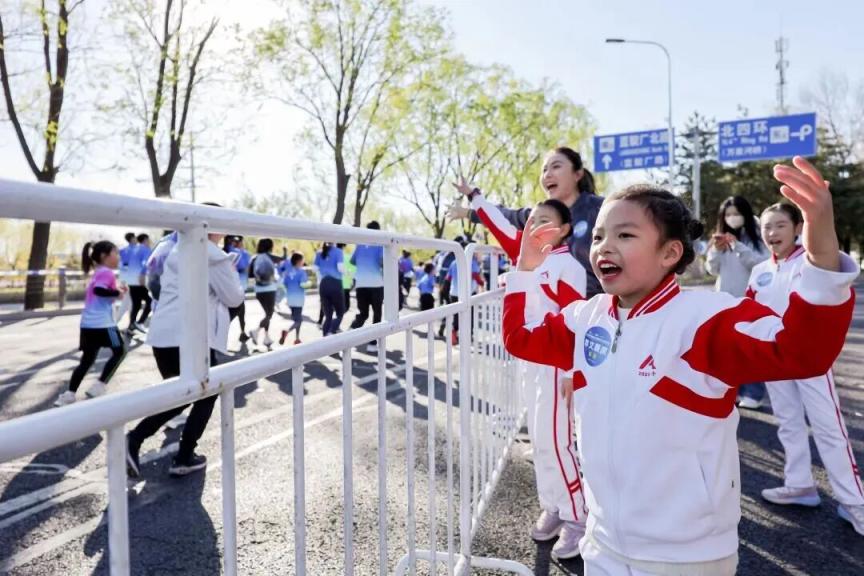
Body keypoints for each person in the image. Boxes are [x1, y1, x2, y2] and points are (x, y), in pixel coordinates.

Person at [501, 157, 858, 572]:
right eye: (598, 236)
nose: (604, 247)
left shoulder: (705, 318)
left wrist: (821, 247)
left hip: (688, 554)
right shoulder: (586, 318)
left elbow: (803, 350)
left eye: (625, 234)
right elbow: (521, 338)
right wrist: (525, 269)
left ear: (670, 252)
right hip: (602, 546)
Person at [457, 181, 588, 559]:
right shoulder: (526, 255)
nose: (534, 227)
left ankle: (578, 517)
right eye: (531, 221)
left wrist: (569, 371)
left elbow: (572, 323)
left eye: (545, 220)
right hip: (528, 362)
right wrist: (476, 196)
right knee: (541, 442)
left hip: (555, 365)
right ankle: (554, 506)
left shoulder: (568, 266)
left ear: (564, 229)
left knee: (558, 442)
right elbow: (498, 226)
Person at [746, 202, 864, 535]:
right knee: (787, 422)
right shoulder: (759, 272)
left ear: (798, 228)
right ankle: (799, 484)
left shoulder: (812, 264)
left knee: (829, 427)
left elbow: (832, 292)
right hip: (775, 358)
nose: (772, 233)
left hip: (811, 358)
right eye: (767, 227)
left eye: (780, 225)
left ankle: (855, 501)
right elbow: (750, 311)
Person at [126, 205, 244, 477]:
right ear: (214, 226)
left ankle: (136, 440)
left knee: (178, 397)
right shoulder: (214, 256)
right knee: (206, 392)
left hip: (163, 335)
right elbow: (234, 298)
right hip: (190, 336)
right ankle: (182, 454)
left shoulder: (176, 251)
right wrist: (231, 269)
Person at [450, 147, 603, 297]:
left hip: (597, 306)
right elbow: (502, 218)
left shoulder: (601, 209)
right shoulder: (537, 215)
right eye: (544, 170)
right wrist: (469, 210)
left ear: (577, 174)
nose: (547, 175)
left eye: (556, 166)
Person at [706, 196, 769, 409]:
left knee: (749, 347)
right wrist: (715, 250)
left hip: (749, 300)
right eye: (728, 214)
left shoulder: (756, 238)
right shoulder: (719, 240)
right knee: (728, 349)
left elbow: (760, 264)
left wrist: (739, 246)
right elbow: (711, 270)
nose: (732, 218)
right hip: (723, 301)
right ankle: (733, 391)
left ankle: (754, 392)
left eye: (736, 213)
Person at [55, 241, 128, 406]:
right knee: (120, 352)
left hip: (88, 325)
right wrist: (117, 292)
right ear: (104, 256)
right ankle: (100, 385)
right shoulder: (107, 272)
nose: (118, 257)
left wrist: (117, 293)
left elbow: (101, 293)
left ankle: (69, 394)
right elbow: (99, 291)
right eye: (115, 253)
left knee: (86, 361)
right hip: (103, 324)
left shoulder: (99, 272)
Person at [350, 222, 385, 353]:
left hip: (361, 284)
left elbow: (352, 261)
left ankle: (350, 335)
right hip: (376, 284)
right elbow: (383, 261)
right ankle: (372, 342)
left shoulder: (360, 244)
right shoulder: (380, 244)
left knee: (363, 314)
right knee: (377, 313)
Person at [445, 249, 484, 345]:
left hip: (454, 292)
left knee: (456, 316)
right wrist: (482, 283)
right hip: (468, 293)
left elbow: (448, 278)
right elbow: (475, 276)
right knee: (469, 316)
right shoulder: (472, 262)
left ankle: (454, 334)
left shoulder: (454, 262)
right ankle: (468, 336)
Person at [248, 238, 279, 349]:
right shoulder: (268, 258)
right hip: (269, 289)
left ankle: (266, 337)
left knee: (268, 314)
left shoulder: (254, 258)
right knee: (269, 314)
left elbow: (250, 275)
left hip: (259, 290)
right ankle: (256, 331)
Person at [224, 236, 251, 344]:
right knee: (239, 311)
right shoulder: (239, 253)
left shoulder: (222, 250)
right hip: (238, 286)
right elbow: (244, 266)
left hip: (226, 286)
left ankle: (242, 333)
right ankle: (242, 332)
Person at [314, 242, 345, 336]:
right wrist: (348, 273)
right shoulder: (338, 251)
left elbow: (314, 269)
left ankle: (325, 340)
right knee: (340, 312)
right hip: (335, 283)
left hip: (323, 284)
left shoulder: (319, 253)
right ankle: (331, 332)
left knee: (328, 316)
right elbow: (340, 268)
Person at [279, 252, 310, 345]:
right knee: (299, 320)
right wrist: (309, 284)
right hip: (299, 298)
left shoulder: (287, 272)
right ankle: (287, 331)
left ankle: (297, 339)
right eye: (302, 260)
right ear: (299, 261)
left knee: (296, 319)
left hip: (290, 298)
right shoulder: (301, 272)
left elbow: (283, 284)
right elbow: (303, 284)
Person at [127, 233, 153, 333]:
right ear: (145, 240)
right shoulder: (145, 249)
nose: (149, 242)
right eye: (148, 239)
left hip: (132, 281)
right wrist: (142, 275)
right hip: (139, 281)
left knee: (136, 305)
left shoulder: (134, 249)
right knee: (150, 302)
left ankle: (131, 326)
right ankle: (140, 322)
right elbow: (146, 263)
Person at [342, 244, 356, 313]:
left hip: (340, 283)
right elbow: (354, 270)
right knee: (346, 303)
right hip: (347, 283)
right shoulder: (349, 257)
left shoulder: (340, 257)